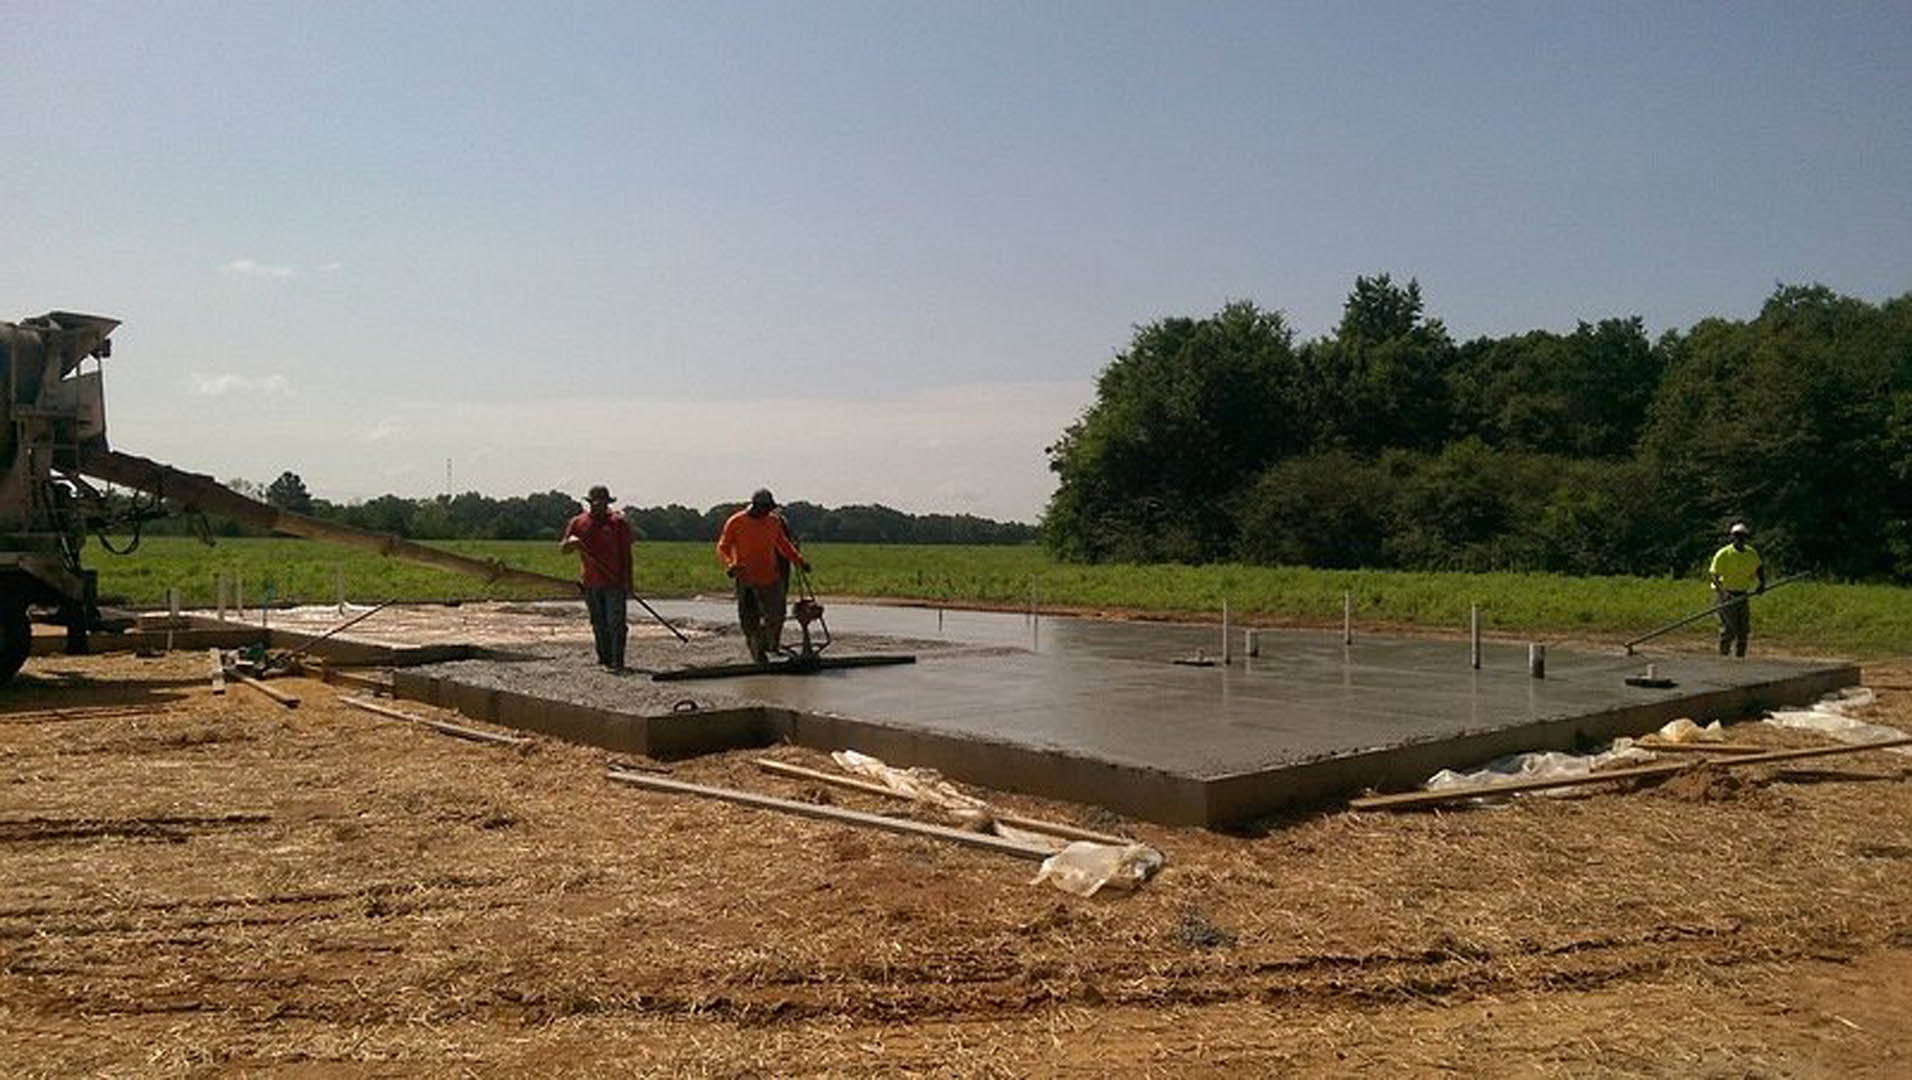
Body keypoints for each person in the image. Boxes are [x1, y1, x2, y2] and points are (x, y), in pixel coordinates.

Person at [716, 488, 809, 663]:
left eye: (769, 508)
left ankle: (767, 644)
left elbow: (783, 545)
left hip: (770, 576)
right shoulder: (736, 522)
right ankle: (757, 653)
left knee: (777, 614)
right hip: (746, 577)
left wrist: (799, 561)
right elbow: (723, 547)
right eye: (765, 508)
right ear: (756, 506)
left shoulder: (773, 522)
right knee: (749, 618)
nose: (768, 512)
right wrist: (731, 564)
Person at [560, 485, 634, 670]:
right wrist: (572, 542)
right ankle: (604, 659)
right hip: (591, 583)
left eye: (602, 502)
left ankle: (618, 661)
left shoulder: (618, 523)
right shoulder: (578, 522)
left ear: (607, 503)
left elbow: (627, 554)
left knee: (616, 623)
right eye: (594, 502)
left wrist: (629, 582)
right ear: (589, 502)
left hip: (614, 582)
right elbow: (563, 549)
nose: (598, 505)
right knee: (598, 623)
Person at [1707, 522, 1768, 658]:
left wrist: (1761, 584)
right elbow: (1714, 575)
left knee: (1743, 630)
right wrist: (1721, 592)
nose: (1739, 539)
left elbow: (1759, 568)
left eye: (1742, 536)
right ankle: (1724, 656)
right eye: (1737, 536)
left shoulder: (1751, 553)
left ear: (1746, 537)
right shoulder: (1724, 553)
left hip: (1742, 595)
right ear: (1732, 537)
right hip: (1726, 594)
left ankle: (1740, 658)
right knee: (1728, 630)